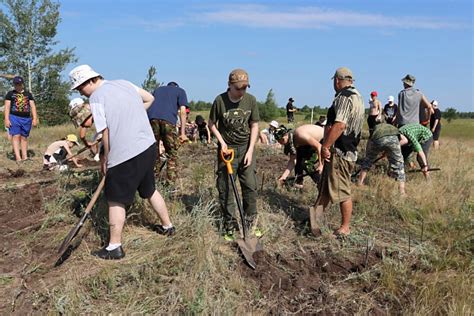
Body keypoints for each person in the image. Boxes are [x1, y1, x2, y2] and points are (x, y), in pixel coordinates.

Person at [69, 64, 174, 260]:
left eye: (80, 88)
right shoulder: (124, 84)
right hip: (148, 146)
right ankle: (168, 227)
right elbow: (150, 98)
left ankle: (114, 247)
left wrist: (106, 159)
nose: (80, 93)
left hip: (125, 152)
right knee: (149, 189)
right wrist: (130, 116)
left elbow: (105, 131)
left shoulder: (96, 98)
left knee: (115, 198)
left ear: (90, 80)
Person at [208, 68, 260, 241]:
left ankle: (250, 224)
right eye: (238, 88)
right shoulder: (220, 101)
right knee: (226, 188)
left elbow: (254, 125)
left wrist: (251, 150)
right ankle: (229, 226)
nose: (241, 92)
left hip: (246, 148)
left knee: (250, 186)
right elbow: (212, 124)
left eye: (244, 88)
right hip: (227, 150)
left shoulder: (251, 101)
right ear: (229, 85)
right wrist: (222, 143)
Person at [314, 67, 365, 237]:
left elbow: (340, 125)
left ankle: (345, 228)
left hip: (341, 151)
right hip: (350, 149)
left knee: (342, 190)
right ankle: (316, 219)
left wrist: (325, 146)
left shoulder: (344, 97)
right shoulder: (358, 96)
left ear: (336, 81)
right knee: (326, 187)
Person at [147, 81, 189, 184]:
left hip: (152, 120)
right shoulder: (181, 91)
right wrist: (182, 133)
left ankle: (152, 181)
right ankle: (170, 183)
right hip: (168, 121)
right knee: (172, 153)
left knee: (154, 151)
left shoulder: (158, 90)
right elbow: (183, 111)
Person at [357, 123, 406, 195]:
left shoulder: (376, 128)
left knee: (368, 161)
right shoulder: (393, 128)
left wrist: (368, 156)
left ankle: (360, 182)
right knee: (399, 164)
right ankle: (402, 191)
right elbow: (404, 140)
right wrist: (392, 149)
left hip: (378, 139)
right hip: (393, 140)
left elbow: (370, 142)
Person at [275, 124, 324, 188]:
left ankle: (321, 185)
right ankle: (299, 182)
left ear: (286, 135)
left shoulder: (299, 135)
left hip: (324, 140)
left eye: (282, 139)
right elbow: (292, 161)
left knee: (306, 163)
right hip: (314, 143)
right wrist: (283, 177)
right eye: (279, 141)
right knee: (299, 157)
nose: (281, 142)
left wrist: (321, 164)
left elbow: (319, 146)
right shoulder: (291, 141)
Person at [3, 76, 38, 161]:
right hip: (14, 117)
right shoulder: (10, 94)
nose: (18, 85)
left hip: (26, 118)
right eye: (16, 84)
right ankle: (18, 158)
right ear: (14, 84)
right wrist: (7, 119)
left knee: (24, 137)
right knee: (16, 136)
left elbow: (33, 107)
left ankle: (25, 157)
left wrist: (35, 118)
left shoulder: (28, 94)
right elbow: (7, 107)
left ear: (22, 84)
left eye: (19, 84)